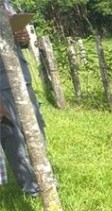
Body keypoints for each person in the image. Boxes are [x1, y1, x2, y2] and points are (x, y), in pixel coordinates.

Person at [0, 0, 47, 197]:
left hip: (22, 78)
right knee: (12, 136)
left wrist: (23, 38)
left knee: (36, 131)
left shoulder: (7, 5)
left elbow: (23, 41)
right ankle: (31, 188)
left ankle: (46, 180)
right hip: (1, 85)